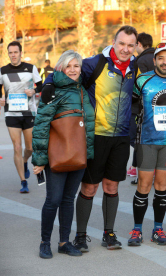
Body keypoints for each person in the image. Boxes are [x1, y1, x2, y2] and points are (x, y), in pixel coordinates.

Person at [43, 25, 139, 251]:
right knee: (89, 188)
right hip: (96, 135)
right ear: (114, 42)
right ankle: (80, 235)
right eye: (122, 44)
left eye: (130, 45)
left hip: (121, 137)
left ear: (135, 46)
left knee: (112, 186)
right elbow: (66, 70)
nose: (125, 49)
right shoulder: (96, 63)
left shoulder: (135, 66)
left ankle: (109, 234)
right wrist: (48, 83)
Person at [32, 50, 95, 259]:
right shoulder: (53, 90)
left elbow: (87, 125)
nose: (73, 70)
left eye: (76, 66)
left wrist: (89, 153)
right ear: (61, 67)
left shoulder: (82, 90)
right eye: (68, 66)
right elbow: (41, 125)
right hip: (57, 155)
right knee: (53, 199)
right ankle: (44, 242)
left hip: (78, 155)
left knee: (68, 199)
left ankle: (64, 242)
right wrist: (40, 160)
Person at [127, 43, 166, 246]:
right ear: (154, 60)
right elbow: (130, 104)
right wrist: (134, 129)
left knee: (161, 186)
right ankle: (137, 230)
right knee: (144, 185)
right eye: (161, 58)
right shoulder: (143, 80)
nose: (165, 62)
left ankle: (158, 229)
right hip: (146, 141)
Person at [0, 41, 42, 193]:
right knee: (17, 147)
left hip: (28, 113)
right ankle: (23, 182)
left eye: (15, 52)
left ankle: (25, 161)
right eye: (10, 52)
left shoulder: (30, 68)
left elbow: (41, 85)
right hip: (11, 113)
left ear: (20, 53)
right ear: (8, 54)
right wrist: (0, 98)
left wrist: (34, 91)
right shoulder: (3, 70)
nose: (13, 55)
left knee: (29, 148)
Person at [129, 33, 156, 183]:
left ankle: (146, 173)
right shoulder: (159, 57)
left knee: (137, 139)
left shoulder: (140, 61)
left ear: (139, 44)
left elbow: (139, 85)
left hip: (141, 107)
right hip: (158, 105)